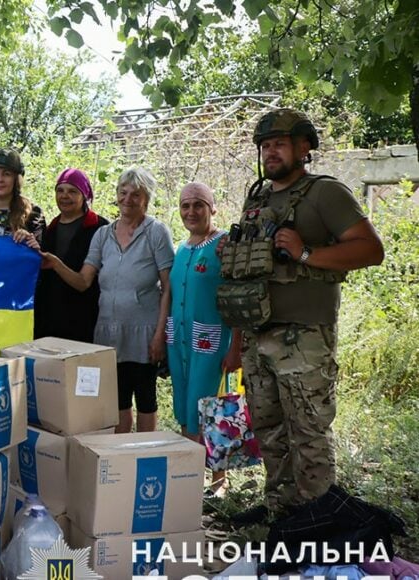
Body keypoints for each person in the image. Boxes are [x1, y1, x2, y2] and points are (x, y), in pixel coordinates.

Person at [225, 109, 383, 525]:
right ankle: (283, 513)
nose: (269, 152)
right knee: (269, 430)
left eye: (278, 143)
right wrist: (239, 342)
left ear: (304, 147)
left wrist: (306, 253)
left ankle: (318, 519)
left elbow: (371, 250)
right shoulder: (257, 197)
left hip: (305, 337)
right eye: (264, 145)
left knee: (308, 434)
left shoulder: (325, 194)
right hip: (259, 333)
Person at [41, 168, 173, 433]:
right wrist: (55, 264)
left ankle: (144, 455)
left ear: (146, 199)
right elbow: (83, 281)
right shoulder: (103, 234)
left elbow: (168, 287)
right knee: (118, 400)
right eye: (123, 193)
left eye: (136, 194)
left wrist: (161, 334)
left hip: (144, 331)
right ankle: (122, 459)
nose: (128, 199)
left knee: (146, 399)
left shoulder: (157, 232)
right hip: (108, 332)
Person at [167, 182, 238, 494]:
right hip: (180, 341)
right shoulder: (182, 249)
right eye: (185, 205)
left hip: (212, 344)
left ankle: (219, 482)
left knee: (213, 409)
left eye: (198, 204)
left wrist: (237, 346)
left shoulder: (225, 246)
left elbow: (239, 298)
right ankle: (188, 480)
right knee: (185, 406)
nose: (191, 211)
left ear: (213, 208)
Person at [34, 168, 109, 342]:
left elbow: (86, 282)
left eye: (72, 191)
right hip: (50, 319)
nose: (64, 196)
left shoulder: (100, 227)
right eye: (60, 190)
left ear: (84, 196)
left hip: (84, 319)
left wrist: (56, 264)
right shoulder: (50, 228)